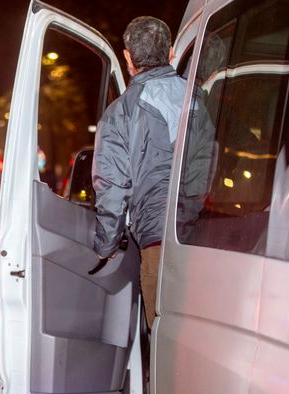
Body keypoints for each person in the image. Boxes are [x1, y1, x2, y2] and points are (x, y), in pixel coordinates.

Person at [92, 16, 186, 329]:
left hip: (159, 242)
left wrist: (106, 245)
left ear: (128, 58)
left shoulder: (121, 111)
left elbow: (113, 186)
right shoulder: (202, 98)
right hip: (209, 242)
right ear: (171, 53)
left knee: (165, 344)